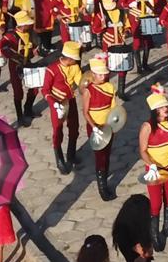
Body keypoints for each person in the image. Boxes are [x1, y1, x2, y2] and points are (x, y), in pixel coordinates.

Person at [138, 84, 168, 251]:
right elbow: (142, 151)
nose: (166, 109)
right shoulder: (147, 127)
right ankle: (154, 234)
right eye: (163, 107)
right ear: (155, 110)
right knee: (155, 203)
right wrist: (152, 165)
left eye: (166, 106)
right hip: (154, 170)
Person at [81, 55, 119, 201]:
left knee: (107, 153)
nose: (103, 76)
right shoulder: (88, 90)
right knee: (100, 155)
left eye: (105, 73)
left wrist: (114, 122)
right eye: (100, 73)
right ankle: (102, 188)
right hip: (95, 126)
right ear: (94, 74)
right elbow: (85, 112)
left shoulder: (110, 87)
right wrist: (94, 127)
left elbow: (113, 107)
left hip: (107, 125)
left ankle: (105, 178)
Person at [43, 40, 83, 175]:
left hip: (70, 100)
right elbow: (45, 90)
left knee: (74, 128)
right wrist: (53, 103)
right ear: (69, 58)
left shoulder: (75, 67)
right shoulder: (52, 69)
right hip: (57, 103)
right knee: (57, 131)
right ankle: (59, 158)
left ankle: (71, 154)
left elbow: (80, 82)